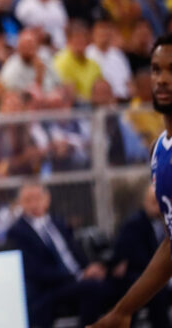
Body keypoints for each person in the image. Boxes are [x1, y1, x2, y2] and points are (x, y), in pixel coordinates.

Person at [90, 35, 172, 327]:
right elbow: (170, 244)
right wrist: (123, 311)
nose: (162, 79)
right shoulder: (158, 149)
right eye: (156, 69)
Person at [9, 180, 111, 328]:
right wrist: (79, 276)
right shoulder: (18, 232)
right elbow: (36, 271)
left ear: (47, 199)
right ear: (21, 203)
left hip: (77, 279)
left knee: (122, 284)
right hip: (50, 289)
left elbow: (74, 251)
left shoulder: (58, 223)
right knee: (91, 287)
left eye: (37, 198)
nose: (34, 204)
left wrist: (91, 268)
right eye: (28, 200)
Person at [106, 185, 171, 328]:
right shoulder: (134, 224)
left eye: (159, 202)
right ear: (145, 202)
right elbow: (136, 260)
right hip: (144, 275)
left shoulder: (165, 221)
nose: (157, 207)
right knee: (155, 291)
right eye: (153, 202)